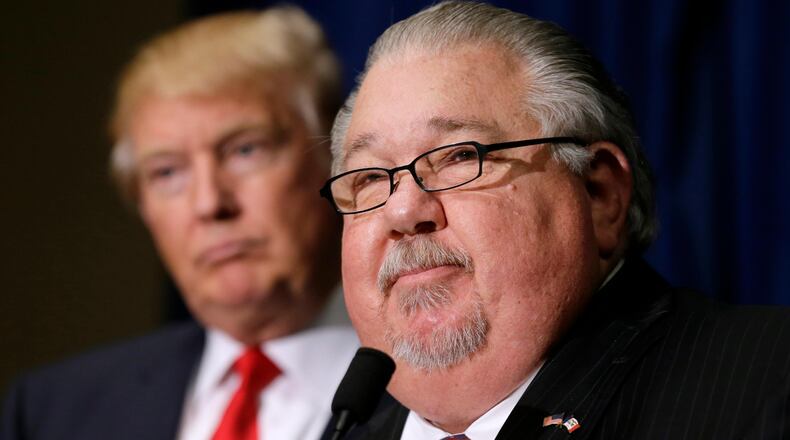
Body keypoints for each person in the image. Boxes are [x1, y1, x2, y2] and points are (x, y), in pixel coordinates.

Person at [320, 2, 790, 439]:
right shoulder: (348, 431)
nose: (402, 211)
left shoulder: (769, 384)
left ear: (600, 194)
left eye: (461, 156)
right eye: (368, 179)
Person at [2, 6, 358, 440]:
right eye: (167, 173)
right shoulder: (51, 411)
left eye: (245, 150)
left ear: (335, 163)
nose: (209, 203)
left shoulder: (436, 398)